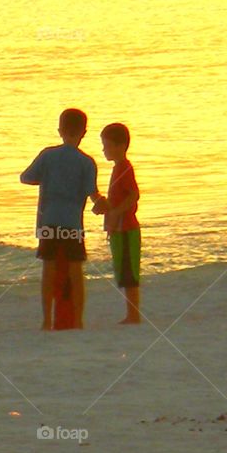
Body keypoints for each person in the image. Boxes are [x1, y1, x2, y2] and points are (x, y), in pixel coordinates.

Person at [21, 108, 106, 330]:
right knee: (75, 270)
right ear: (83, 133)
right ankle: (78, 320)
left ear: (60, 130)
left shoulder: (48, 155)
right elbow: (93, 193)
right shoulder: (87, 162)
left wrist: (48, 178)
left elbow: (26, 177)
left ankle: (46, 320)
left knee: (48, 270)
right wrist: (103, 204)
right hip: (73, 224)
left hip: (48, 221)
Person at [97, 123, 141, 324]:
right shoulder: (118, 169)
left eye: (107, 146)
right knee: (123, 273)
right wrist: (106, 207)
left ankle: (133, 315)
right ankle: (131, 314)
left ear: (120, 146)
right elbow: (120, 198)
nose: (104, 150)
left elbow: (133, 195)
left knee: (129, 273)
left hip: (127, 229)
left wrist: (115, 212)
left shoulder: (125, 168)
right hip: (118, 229)